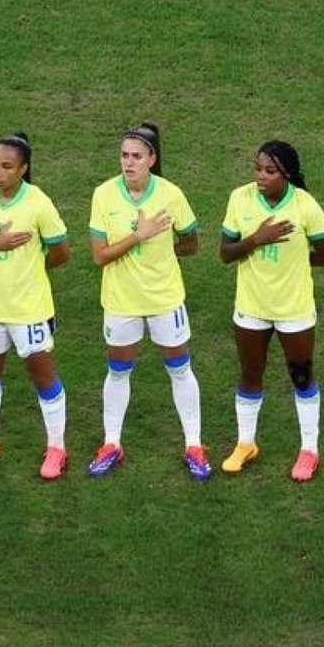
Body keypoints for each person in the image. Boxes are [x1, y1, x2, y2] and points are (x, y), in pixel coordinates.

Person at [85, 123, 208, 480]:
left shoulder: (171, 194)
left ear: (152, 159)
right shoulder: (104, 195)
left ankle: (194, 445)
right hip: (121, 302)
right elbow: (100, 256)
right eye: (124, 155)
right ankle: (112, 443)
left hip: (165, 299)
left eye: (137, 156)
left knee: (180, 369)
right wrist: (138, 236)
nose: (128, 163)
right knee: (118, 370)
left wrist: (164, 252)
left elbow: (191, 241)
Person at [0, 132, 72, 479]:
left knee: (43, 376)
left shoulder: (37, 202)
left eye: (6, 166)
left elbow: (61, 251)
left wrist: (33, 269)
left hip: (29, 311)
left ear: (23, 169)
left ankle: (56, 448)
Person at [218, 141, 324, 481]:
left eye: (270, 171)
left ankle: (309, 450)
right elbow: (226, 253)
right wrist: (257, 238)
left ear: (287, 174)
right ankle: (246, 444)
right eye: (257, 168)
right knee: (250, 375)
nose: (261, 176)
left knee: (301, 376)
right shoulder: (239, 199)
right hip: (251, 307)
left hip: (294, 310)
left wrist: (297, 261)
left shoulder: (304, 205)